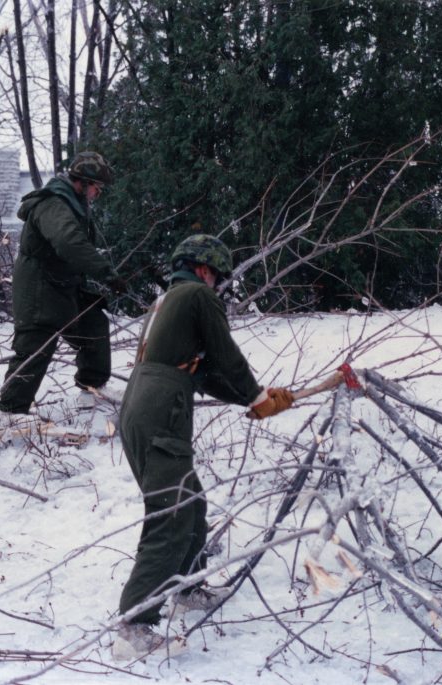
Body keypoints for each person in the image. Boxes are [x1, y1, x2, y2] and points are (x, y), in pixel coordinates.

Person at [112, 234, 294, 659]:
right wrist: (255, 395)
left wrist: (257, 398)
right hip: (161, 412)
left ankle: (186, 589)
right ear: (205, 269)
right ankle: (134, 625)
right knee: (172, 515)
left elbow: (204, 373)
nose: (218, 287)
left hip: (143, 405)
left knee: (190, 504)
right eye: (218, 278)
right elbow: (225, 354)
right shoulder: (198, 296)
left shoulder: (168, 302)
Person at [0, 151, 125, 418]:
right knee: (34, 350)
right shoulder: (53, 205)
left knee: (93, 326)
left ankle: (91, 391)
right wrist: (107, 274)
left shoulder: (70, 203)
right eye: (97, 188)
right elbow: (69, 243)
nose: (97, 194)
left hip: (63, 288)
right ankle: (9, 413)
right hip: (38, 291)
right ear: (83, 182)